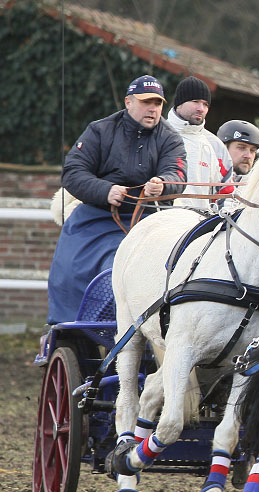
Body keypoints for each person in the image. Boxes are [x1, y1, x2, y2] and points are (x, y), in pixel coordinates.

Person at [47, 74, 186, 324]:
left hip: (149, 220)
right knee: (71, 267)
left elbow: (177, 173)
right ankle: (78, 322)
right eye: (146, 102)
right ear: (128, 102)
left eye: (158, 104)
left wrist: (163, 185)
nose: (153, 109)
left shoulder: (170, 137)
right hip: (98, 216)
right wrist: (105, 190)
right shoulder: (99, 130)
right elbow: (73, 173)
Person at [166, 76, 232, 209]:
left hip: (199, 225)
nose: (201, 108)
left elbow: (225, 191)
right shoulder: (159, 135)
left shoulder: (213, 144)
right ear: (179, 104)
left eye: (205, 104)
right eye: (195, 101)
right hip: (163, 221)